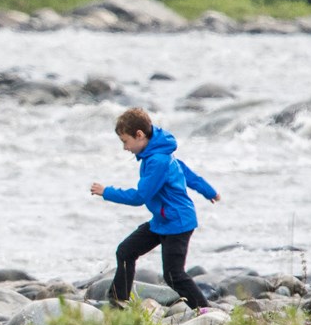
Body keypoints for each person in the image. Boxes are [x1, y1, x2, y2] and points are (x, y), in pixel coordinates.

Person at [90, 107, 219, 310]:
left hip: (177, 223)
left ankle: (205, 310)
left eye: (125, 141)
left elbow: (140, 197)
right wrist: (209, 191)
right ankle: (118, 299)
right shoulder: (158, 152)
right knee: (125, 252)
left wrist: (106, 191)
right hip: (162, 221)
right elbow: (184, 171)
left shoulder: (157, 160)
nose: (124, 147)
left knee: (173, 275)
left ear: (139, 135)